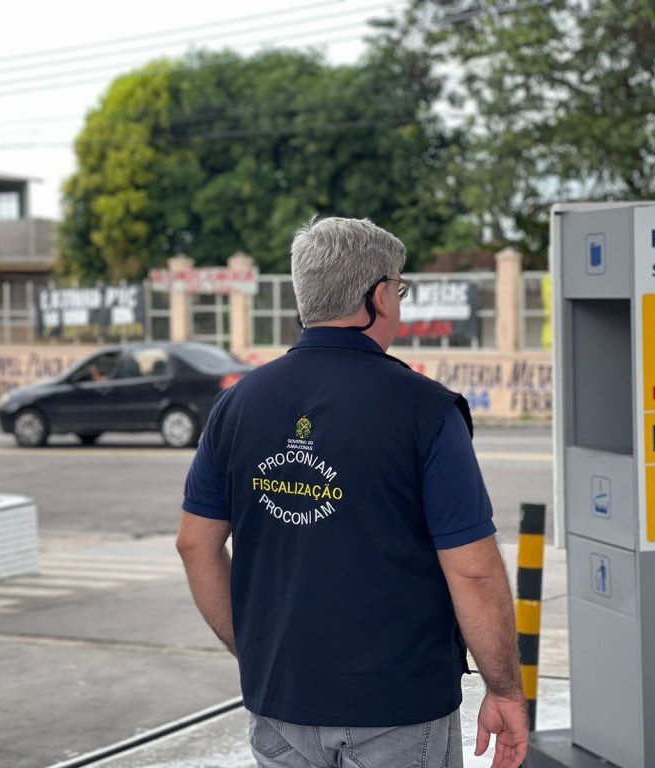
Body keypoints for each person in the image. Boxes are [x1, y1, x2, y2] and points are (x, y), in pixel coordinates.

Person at [176, 217, 527, 768]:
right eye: (400, 290)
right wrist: (504, 689)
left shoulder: (237, 404)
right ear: (378, 297)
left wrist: (255, 654)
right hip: (399, 707)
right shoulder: (425, 409)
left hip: (280, 705)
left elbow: (194, 544)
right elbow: (474, 572)